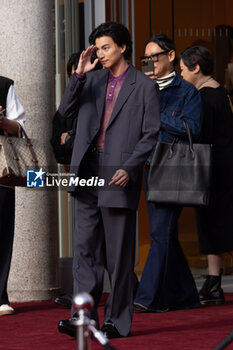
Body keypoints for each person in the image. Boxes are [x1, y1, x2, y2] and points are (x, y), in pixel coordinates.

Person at [57, 21, 160, 338]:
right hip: (87, 172)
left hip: (119, 174)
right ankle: (82, 317)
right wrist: (79, 75)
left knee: (118, 255)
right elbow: (65, 112)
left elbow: (150, 134)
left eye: (106, 47)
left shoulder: (144, 86)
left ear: (123, 47)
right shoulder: (90, 79)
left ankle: (117, 320)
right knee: (85, 250)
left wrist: (130, 168)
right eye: (97, 48)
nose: (100, 53)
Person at [133, 34, 201, 313]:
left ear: (171, 56)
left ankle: (146, 297)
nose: (150, 63)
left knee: (160, 231)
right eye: (146, 59)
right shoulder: (141, 89)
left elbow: (193, 128)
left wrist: (155, 113)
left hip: (172, 168)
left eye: (155, 57)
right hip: (146, 166)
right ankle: (186, 294)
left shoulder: (187, 91)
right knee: (166, 233)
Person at [180, 45, 233, 305]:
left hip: (213, 170)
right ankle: (213, 282)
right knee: (217, 225)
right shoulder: (218, 91)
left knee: (216, 225)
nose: (180, 74)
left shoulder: (205, 96)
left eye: (181, 69)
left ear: (195, 68)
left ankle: (213, 284)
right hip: (222, 167)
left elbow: (199, 134)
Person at [0, 76, 25, 316]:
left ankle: (0, 296)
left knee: (1, 232)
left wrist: (1, 120)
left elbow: (19, 127)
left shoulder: (3, 85)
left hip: (2, 171)